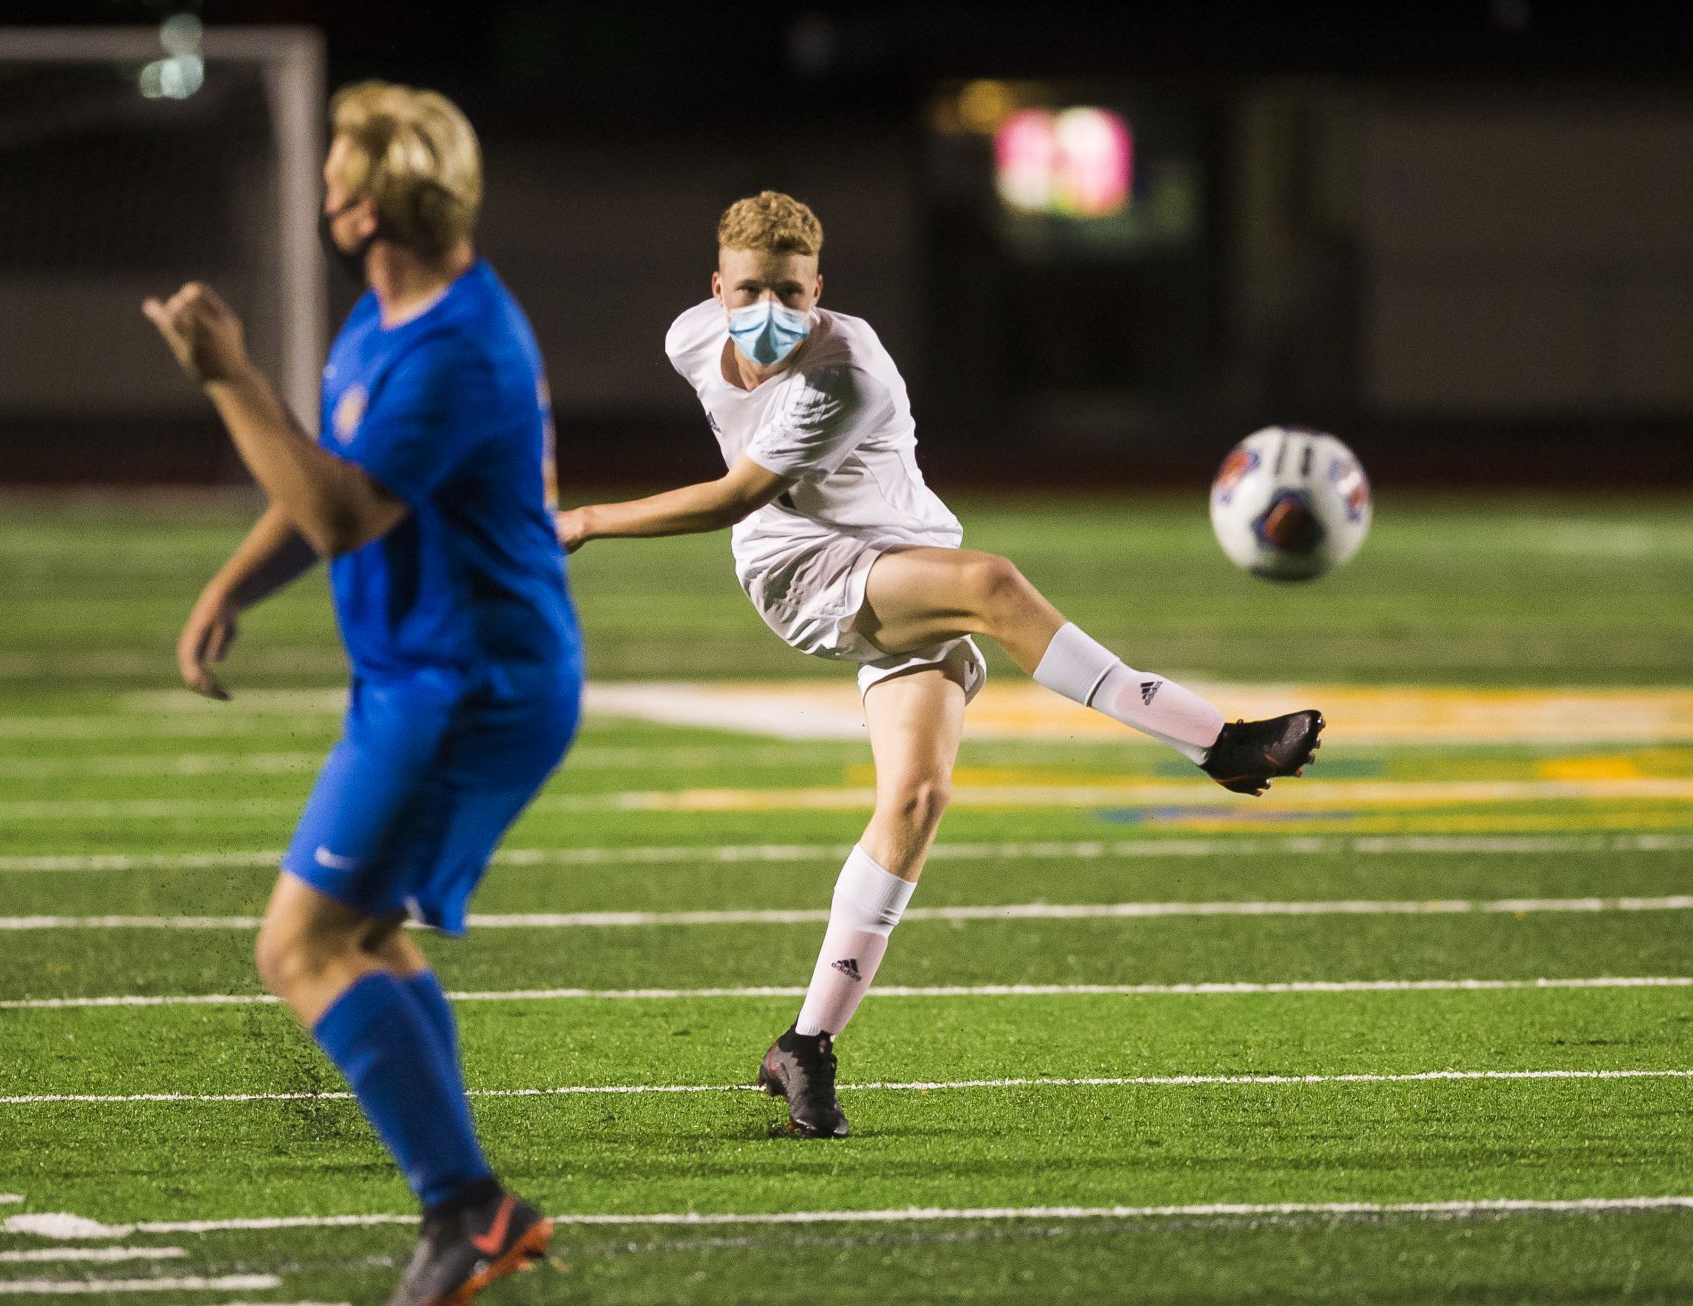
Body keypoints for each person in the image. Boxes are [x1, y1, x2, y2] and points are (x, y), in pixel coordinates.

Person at [557, 190, 1323, 1140]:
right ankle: (1221, 743)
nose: (769, 311)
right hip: (807, 570)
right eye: (750, 288)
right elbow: (740, 504)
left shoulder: (844, 374)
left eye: (790, 294)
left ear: (818, 292)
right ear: (717, 289)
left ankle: (805, 1043)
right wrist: (572, 507)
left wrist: (587, 519)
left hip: (900, 559)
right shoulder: (688, 338)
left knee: (916, 798)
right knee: (995, 584)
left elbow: (729, 492)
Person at [141, 81, 581, 1306]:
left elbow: (345, 512)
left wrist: (226, 376)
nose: (322, 187)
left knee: (299, 945)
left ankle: (468, 1207)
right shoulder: (395, 315)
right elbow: (332, 477)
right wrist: (233, 582)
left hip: (470, 686)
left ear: (376, 199)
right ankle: (467, 1206)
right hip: (425, 676)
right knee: (365, 934)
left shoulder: (458, 344)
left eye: (337, 170)